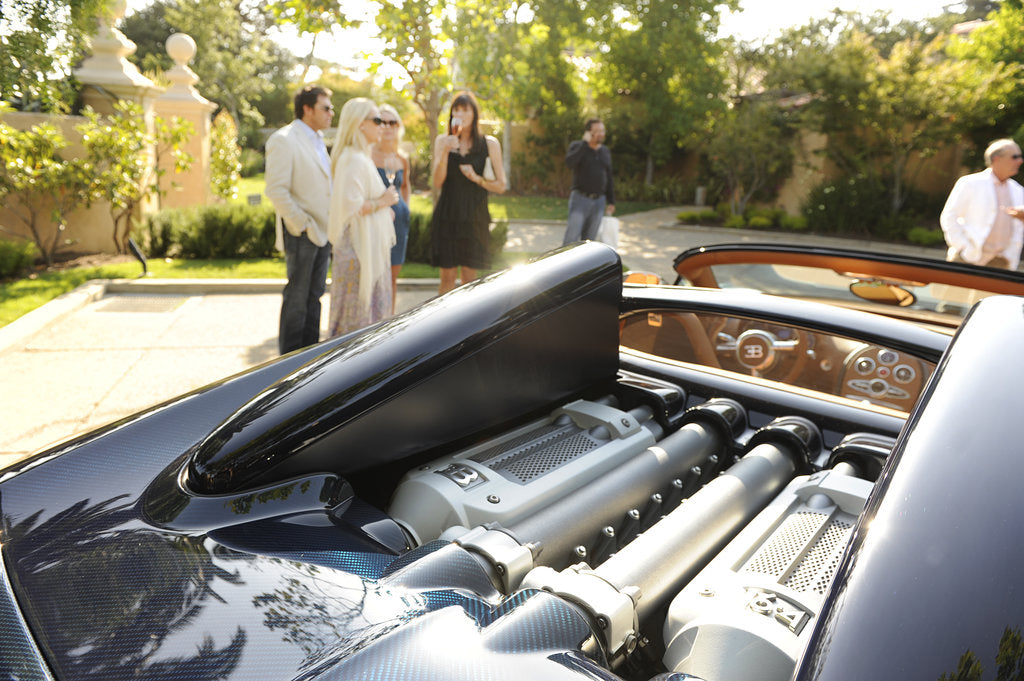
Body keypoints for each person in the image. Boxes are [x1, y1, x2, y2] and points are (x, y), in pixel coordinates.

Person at [264, 85, 334, 355]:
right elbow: (276, 189)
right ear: (307, 109)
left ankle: (309, 360)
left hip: (323, 232)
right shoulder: (284, 139)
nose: (331, 113)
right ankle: (289, 364)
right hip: (302, 233)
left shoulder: (318, 140)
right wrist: (301, 225)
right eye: (325, 107)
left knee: (314, 298)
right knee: (297, 301)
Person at [326, 98, 399, 337]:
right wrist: (384, 202)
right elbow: (353, 206)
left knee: (365, 317)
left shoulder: (360, 156)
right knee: (355, 319)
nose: (382, 126)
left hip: (365, 249)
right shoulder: (354, 159)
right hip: (357, 252)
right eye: (376, 120)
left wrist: (382, 209)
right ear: (359, 124)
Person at [430, 91, 506, 294]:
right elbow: (437, 182)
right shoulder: (442, 141)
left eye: (465, 109)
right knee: (446, 278)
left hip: (475, 216)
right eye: (457, 109)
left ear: (474, 113)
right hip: (448, 215)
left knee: (469, 280)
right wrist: (445, 152)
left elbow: (501, 185)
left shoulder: (489, 144)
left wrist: (476, 178)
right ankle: (442, 323)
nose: (461, 113)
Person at [940, 138, 1024, 270]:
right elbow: (949, 216)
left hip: (1001, 262)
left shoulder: (1018, 190)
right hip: (968, 258)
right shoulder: (970, 183)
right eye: (1015, 157)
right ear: (996, 158)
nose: (1020, 161)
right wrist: (962, 247)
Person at [372, 103, 412, 312]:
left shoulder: (403, 159)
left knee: (393, 277)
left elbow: (405, 187)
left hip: (400, 223)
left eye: (392, 122)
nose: (387, 126)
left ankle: (389, 321)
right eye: (382, 121)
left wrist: (406, 208)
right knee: (377, 276)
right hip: (376, 222)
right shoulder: (368, 155)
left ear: (398, 126)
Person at [563, 118, 615, 245]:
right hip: (580, 199)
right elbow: (570, 163)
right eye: (597, 131)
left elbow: (608, 176)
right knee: (571, 238)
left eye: (602, 130)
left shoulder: (605, 151)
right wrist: (584, 144)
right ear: (588, 133)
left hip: (599, 202)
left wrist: (611, 200)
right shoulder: (578, 146)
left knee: (589, 242)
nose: (601, 134)